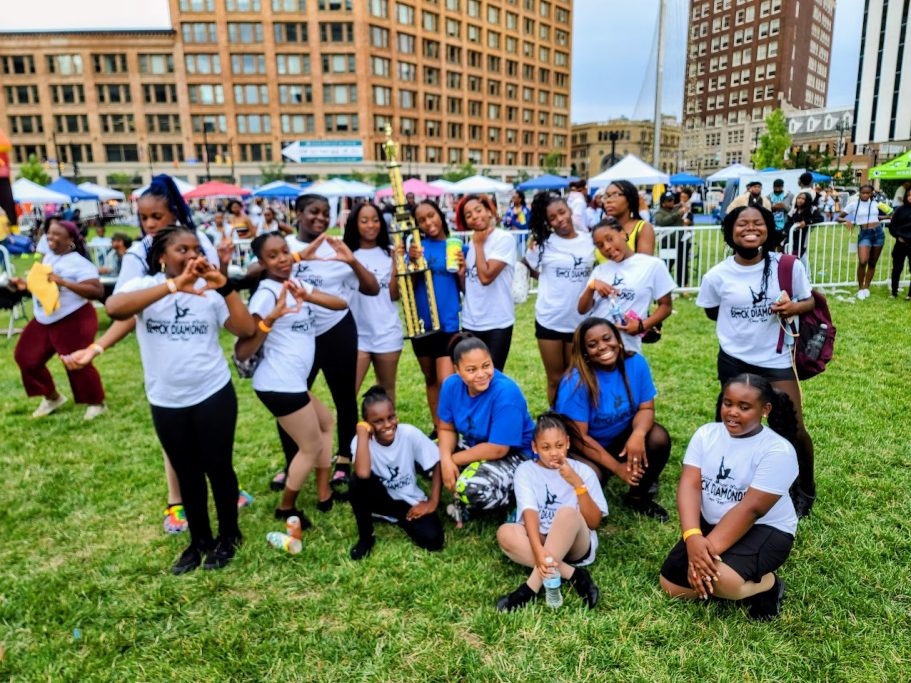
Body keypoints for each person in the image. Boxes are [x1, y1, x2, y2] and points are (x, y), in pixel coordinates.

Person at [61, 174, 234, 534]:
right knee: (180, 449)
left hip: (206, 373)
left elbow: (218, 296)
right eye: (144, 218)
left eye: (157, 216)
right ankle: (178, 502)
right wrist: (97, 346)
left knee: (214, 454)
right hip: (166, 378)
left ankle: (222, 501)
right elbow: (127, 309)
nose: (150, 224)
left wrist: (223, 269)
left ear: (175, 213)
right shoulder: (141, 254)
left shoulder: (197, 241)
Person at [105, 225, 256, 574]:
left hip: (212, 392)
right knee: (186, 472)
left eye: (196, 250)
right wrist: (174, 286)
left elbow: (246, 329)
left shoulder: (210, 289)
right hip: (166, 399)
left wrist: (225, 287)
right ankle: (199, 540)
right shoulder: (143, 287)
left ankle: (229, 535)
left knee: (218, 467)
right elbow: (114, 308)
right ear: (162, 257)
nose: (192, 256)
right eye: (182, 250)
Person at [696, 205, 817, 517]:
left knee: (792, 427)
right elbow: (712, 311)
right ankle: (730, 483)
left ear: (768, 229)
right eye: (742, 224)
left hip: (775, 359)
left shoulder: (787, 266)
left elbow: (810, 300)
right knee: (732, 425)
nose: (750, 228)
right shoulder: (717, 275)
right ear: (730, 232)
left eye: (757, 223)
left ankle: (804, 488)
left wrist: (793, 308)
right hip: (734, 361)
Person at [659, 374, 800, 621]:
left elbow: (751, 509)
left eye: (744, 407)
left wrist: (701, 558)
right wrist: (692, 536)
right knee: (671, 586)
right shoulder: (706, 434)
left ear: (765, 410)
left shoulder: (778, 451)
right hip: (713, 523)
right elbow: (690, 485)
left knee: (722, 579)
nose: (732, 412)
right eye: (728, 403)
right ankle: (719, 583)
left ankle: (769, 584)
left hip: (764, 528)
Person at [235, 232, 347, 523]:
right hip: (278, 383)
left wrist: (307, 295)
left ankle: (324, 494)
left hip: (291, 382)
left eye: (285, 251)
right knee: (310, 446)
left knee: (326, 423)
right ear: (261, 263)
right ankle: (286, 507)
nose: (282, 259)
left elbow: (340, 304)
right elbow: (243, 348)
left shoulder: (295, 284)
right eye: (272, 256)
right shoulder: (266, 294)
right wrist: (271, 317)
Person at [277, 193, 380, 496]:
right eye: (314, 212)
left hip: (336, 330)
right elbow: (254, 274)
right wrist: (298, 257)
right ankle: (293, 461)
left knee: (345, 398)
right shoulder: (284, 247)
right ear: (298, 213)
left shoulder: (337, 248)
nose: (320, 218)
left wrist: (351, 260)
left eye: (325, 213)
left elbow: (372, 288)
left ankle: (344, 458)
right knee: (290, 399)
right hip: (297, 335)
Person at [555, 318, 672, 521]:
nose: (602, 347)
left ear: (617, 339)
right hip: (584, 446)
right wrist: (616, 468)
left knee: (657, 438)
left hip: (619, 439)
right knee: (593, 476)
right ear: (584, 351)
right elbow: (579, 438)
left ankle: (638, 497)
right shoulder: (575, 382)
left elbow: (646, 408)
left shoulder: (636, 363)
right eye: (592, 344)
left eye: (607, 338)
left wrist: (638, 435)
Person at [494, 412, 606, 612]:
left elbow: (593, 522)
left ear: (568, 443)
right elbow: (529, 513)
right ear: (534, 447)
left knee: (566, 513)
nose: (554, 453)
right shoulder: (525, 471)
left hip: (576, 543)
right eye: (545, 447)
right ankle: (574, 575)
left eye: (559, 445)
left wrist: (577, 484)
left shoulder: (583, 471)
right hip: (542, 539)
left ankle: (529, 589)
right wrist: (538, 550)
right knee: (506, 532)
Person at [12, 219, 106, 420]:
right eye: (49, 233)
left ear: (70, 240)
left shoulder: (79, 263)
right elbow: (44, 287)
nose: (51, 237)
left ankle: (96, 402)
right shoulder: (49, 258)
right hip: (45, 317)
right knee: (26, 357)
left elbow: (97, 291)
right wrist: (24, 284)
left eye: (57, 234)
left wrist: (64, 282)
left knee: (75, 361)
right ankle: (52, 397)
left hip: (74, 317)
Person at [438, 336, 535, 515]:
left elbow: (498, 449)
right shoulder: (450, 385)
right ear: (457, 370)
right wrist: (444, 459)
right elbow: (446, 428)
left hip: (516, 454)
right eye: (471, 369)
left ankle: (520, 497)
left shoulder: (506, 392)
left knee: (472, 487)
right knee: (430, 456)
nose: (482, 374)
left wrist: (451, 461)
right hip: (477, 445)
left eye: (486, 365)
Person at [348, 385, 444, 560]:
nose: (387, 425)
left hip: (407, 500)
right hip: (379, 497)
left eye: (391, 417)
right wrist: (362, 435)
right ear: (367, 424)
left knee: (433, 540)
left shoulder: (408, 433)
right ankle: (366, 537)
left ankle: (397, 517)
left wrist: (433, 501)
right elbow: (362, 473)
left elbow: (438, 461)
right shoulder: (360, 441)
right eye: (378, 421)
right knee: (355, 481)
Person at [522, 192, 595, 404]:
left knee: (578, 378)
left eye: (562, 212)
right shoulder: (542, 244)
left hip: (580, 321)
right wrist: (547, 279)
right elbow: (528, 265)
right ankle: (556, 420)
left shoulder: (590, 241)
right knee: (555, 379)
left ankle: (577, 419)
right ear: (548, 222)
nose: (560, 219)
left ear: (570, 210)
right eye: (552, 218)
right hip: (550, 318)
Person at [577, 218, 674, 354]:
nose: (607, 247)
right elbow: (582, 309)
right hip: (596, 347)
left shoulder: (652, 265)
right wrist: (591, 287)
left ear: (622, 234)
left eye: (610, 239)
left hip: (628, 346)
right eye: (600, 245)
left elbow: (666, 306)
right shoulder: (600, 270)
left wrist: (641, 326)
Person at [410, 200, 463, 433]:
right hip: (421, 324)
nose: (428, 222)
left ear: (440, 215)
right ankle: (437, 427)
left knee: (446, 381)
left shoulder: (455, 246)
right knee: (430, 378)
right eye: (421, 220)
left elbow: (464, 288)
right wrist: (412, 262)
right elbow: (409, 286)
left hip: (448, 323)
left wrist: (462, 271)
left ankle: (450, 427)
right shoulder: (417, 248)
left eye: (431, 215)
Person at [343, 202, 403, 401]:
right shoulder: (347, 255)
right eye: (364, 221)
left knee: (387, 391)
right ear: (355, 224)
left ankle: (387, 423)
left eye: (375, 220)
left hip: (387, 332)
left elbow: (394, 295)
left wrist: (396, 264)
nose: (371, 225)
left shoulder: (390, 253)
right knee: (347, 395)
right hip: (356, 335)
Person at [457, 194, 516, 371]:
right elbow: (469, 288)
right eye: (468, 215)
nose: (474, 217)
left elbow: (486, 278)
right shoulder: (470, 244)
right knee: (471, 375)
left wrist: (479, 245)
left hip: (497, 322)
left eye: (478, 210)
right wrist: (461, 274)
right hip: (470, 321)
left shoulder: (504, 239)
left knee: (492, 374)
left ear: (489, 211)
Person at [838, 184, 886, 300]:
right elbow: (839, 217)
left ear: (871, 194)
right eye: (863, 193)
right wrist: (847, 221)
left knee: (872, 263)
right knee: (863, 261)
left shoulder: (876, 204)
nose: (865, 195)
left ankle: (866, 287)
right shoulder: (853, 205)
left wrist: (884, 217)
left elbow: (888, 213)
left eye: (867, 193)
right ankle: (860, 288)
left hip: (878, 233)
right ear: (859, 193)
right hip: (865, 234)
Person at [601, 180, 656, 254]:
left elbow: (644, 260)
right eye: (606, 196)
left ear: (629, 199)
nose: (608, 201)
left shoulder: (643, 228)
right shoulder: (602, 229)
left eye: (615, 195)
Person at [784, 191, 823, 259]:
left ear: (807, 200)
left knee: (797, 256)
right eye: (798, 198)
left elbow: (820, 218)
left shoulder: (812, 209)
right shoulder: (793, 210)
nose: (800, 200)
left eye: (803, 199)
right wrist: (789, 229)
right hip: (791, 237)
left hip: (803, 239)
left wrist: (806, 222)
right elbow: (788, 222)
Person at [888, 186, 911, 299]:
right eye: (909, 195)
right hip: (900, 243)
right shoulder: (900, 210)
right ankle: (894, 292)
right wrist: (898, 237)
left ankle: (910, 294)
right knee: (897, 268)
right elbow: (892, 226)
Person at [767, 179, 794, 248]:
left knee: (783, 246)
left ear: (782, 187)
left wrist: (784, 206)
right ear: (773, 187)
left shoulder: (789, 196)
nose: (777, 189)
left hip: (785, 225)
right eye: (776, 187)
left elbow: (793, 210)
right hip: (772, 226)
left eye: (779, 187)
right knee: (772, 246)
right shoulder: (768, 197)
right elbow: (765, 210)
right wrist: (773, 207)